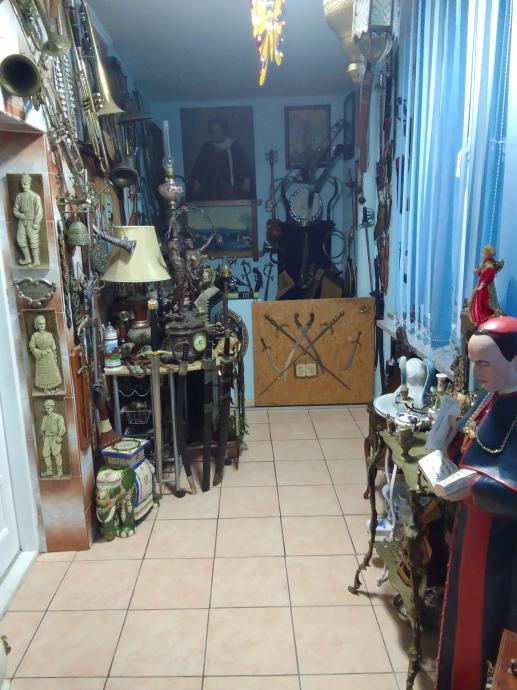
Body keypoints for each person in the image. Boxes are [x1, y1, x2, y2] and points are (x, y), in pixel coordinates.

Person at [436, 315, 517, 690]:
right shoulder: (489, 395)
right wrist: (443, 444)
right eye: (473, 362)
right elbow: (469, 447)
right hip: (472, 530)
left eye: (483, 363)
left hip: (503, 549)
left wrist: (472, 489)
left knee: (491, 632)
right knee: (464, 619)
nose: (475, 372)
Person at [188, 116, 254, 200]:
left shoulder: (234, 147)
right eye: (212, 131)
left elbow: (244, 168)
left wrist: (247, 180)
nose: (214, 134)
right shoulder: (206, 148)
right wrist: (196, 180)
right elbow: (197, 168)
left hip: (231, 191)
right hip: (210, 193)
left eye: (217, 131)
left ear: (224, 130)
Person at [12, 173, 44, 268]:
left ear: (29, 184)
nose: (24, 186)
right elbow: (15, 210)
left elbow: (39, 211)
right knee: (20, 240)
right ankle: (27, 259)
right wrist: (20, 215)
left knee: (33, 241)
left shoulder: (35, 196)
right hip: (22, 221)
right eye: (22, 184)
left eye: (25, 184)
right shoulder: (19, 196)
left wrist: (36, 223)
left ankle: (36, 261)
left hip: (32, 221)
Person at [469, 244, 504, 326]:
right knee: (478, 302)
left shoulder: (489, 266)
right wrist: (477, 271)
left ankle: (486, 317)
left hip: (486, 288)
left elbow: (489, 277)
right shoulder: (487, 263)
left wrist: (483, 284)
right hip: (481, 287)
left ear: (487, 254)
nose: (482, 255)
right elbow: (481, 271)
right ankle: (478, 318)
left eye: (484, 254)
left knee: (486, 302)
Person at [29, 315, 62, 393]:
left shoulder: (49, 335)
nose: (42, 325)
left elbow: (53, 347)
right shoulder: (35, 335)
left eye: (43, 323)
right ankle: (46, 389)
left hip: (50, 357)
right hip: (41, 358)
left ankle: (51, 388)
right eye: (40, 324)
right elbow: (32, 347)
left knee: (52, 372)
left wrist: (54, 357)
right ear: (37, 325)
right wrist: (40, 352)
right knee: (44, 373)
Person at [40, 399, 66, 478]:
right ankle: (49, 471)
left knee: (57, 454)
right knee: (45, 454)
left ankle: (60, 472)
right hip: (47, 437)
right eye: (46, 408)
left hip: (55, 437)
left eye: (48, 408)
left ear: (53, 407)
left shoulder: (58, 417)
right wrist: (43, 434)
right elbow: (42, 428)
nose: (47, 410)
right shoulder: (45, 418)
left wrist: (59, 436)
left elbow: (62, 429)